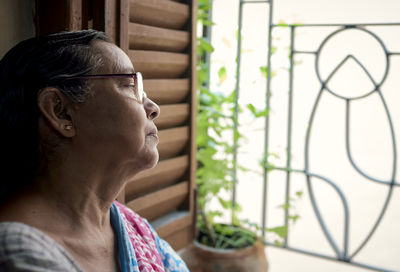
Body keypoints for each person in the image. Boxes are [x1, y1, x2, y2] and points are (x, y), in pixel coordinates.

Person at [0, 30, 189, 272]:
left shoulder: (129, 225)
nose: (153, 108)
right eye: (131, 85)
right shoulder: (18, 253)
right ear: (61, 111)